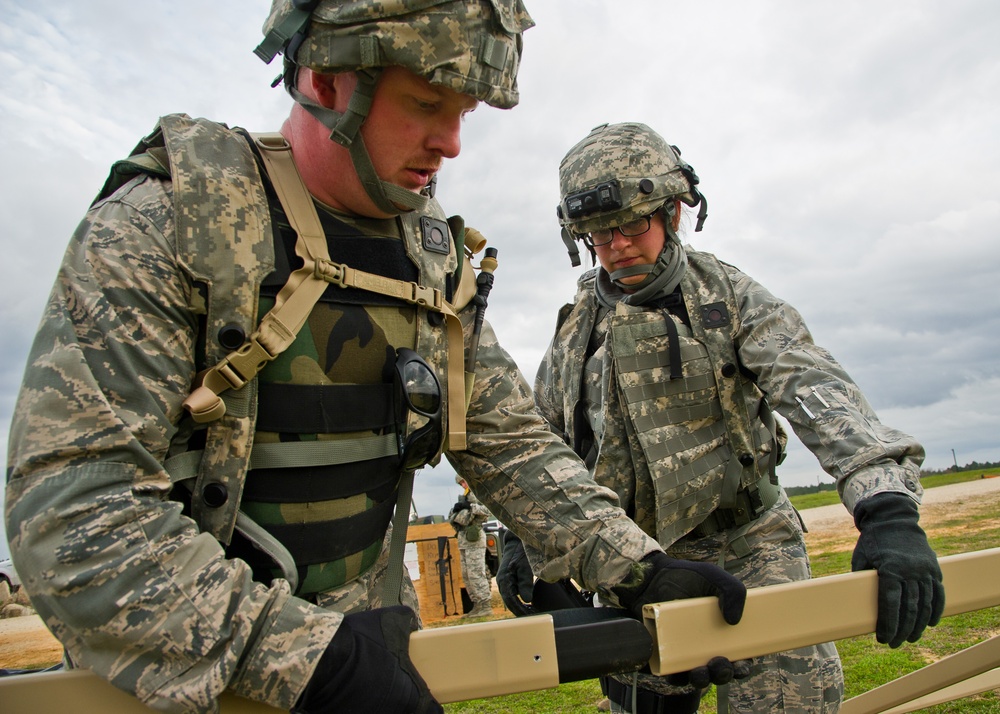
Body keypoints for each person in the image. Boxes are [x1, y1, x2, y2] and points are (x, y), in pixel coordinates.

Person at [4, 6, 751, 714]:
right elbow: (71, 514)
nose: (453, 144)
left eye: (463, 114)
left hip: (368, 662)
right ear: (326, 82)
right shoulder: (169, 222)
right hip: (201, 680)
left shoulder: (429, 263)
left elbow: (508, 443)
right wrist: (309, 658)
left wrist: (637, 567)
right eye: (427, 105)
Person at [499, 122, 946, 714]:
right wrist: (521, 542)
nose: (618, 245)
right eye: (598, 233)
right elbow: (541, 442)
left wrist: (886, 508)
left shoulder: (728, 298)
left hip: (753, 549)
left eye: (634, 224)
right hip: (640, 570)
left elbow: (814, 389)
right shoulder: (574, 331)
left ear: (674, 212)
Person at [447, 475, 494, 618]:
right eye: (460, 482)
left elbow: (488, 510)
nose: (462, 484)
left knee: (476, 573)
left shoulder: (479, 494)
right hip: (464, 538)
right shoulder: (465, 496)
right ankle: (477, 605)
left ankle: (485, 605)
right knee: (467, 575)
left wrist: (470, 507)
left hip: (475, 537)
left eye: (463, 481)